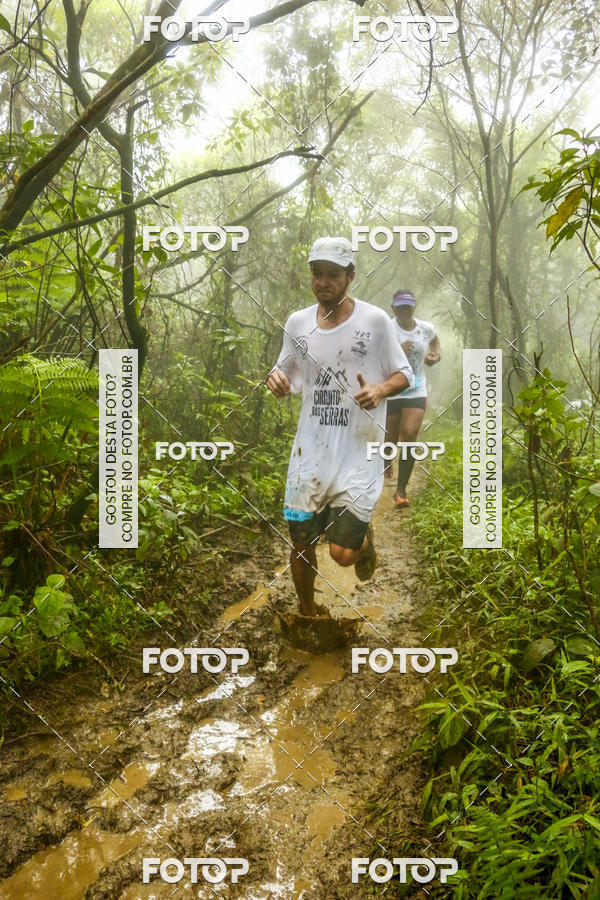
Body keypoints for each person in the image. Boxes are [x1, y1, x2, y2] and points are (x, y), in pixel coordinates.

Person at [266, 237, 414, 617]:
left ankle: (362, 541)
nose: (323, 282)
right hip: (310, 451)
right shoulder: (298, 323)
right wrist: (277, 379)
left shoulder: (376, 321)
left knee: (342, 554)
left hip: (358, 453)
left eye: (333, 274)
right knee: (300, 539)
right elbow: (284, 370)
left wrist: (380, 388)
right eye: (317, 274)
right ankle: (307, 612)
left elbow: (405, 374)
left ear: (350, 276)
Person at [384, 289, 441, 508]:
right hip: (391, 389)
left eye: (408, 307)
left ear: (414, 307)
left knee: (408, 436)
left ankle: (401, 491)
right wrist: (397, 351)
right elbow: (375, 357)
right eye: (400, 307)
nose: (404, 311)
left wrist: (434, 354)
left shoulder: (425, 328)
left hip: (416, 389)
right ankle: (386, 459)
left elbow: (434, 341)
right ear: (393, 308)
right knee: (389, 440)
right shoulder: (387, 328)